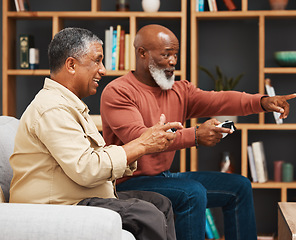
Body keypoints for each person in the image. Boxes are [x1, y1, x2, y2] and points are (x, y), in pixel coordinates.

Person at [100, 24, 296, 240]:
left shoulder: (179, 90)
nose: (173, 61)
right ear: (142, 53)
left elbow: (219, 100)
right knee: (192, 193)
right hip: (127, 183)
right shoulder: (118, 91)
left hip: (162, 178)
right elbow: (140, 137)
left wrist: (262, 102)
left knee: (239, 186)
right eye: (166, 54)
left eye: (175, 55)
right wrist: (194, 136)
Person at [9, 27, 184, 240]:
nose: (103, 70)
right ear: (71, 65)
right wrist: (141, 145)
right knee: (146, 214)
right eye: (97, 60)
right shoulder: (51, 108)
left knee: (160, 203)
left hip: (83, 195)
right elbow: (86, 168)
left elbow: (90, 158)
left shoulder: (70, 106)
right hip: (58, 205)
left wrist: (140, 146)